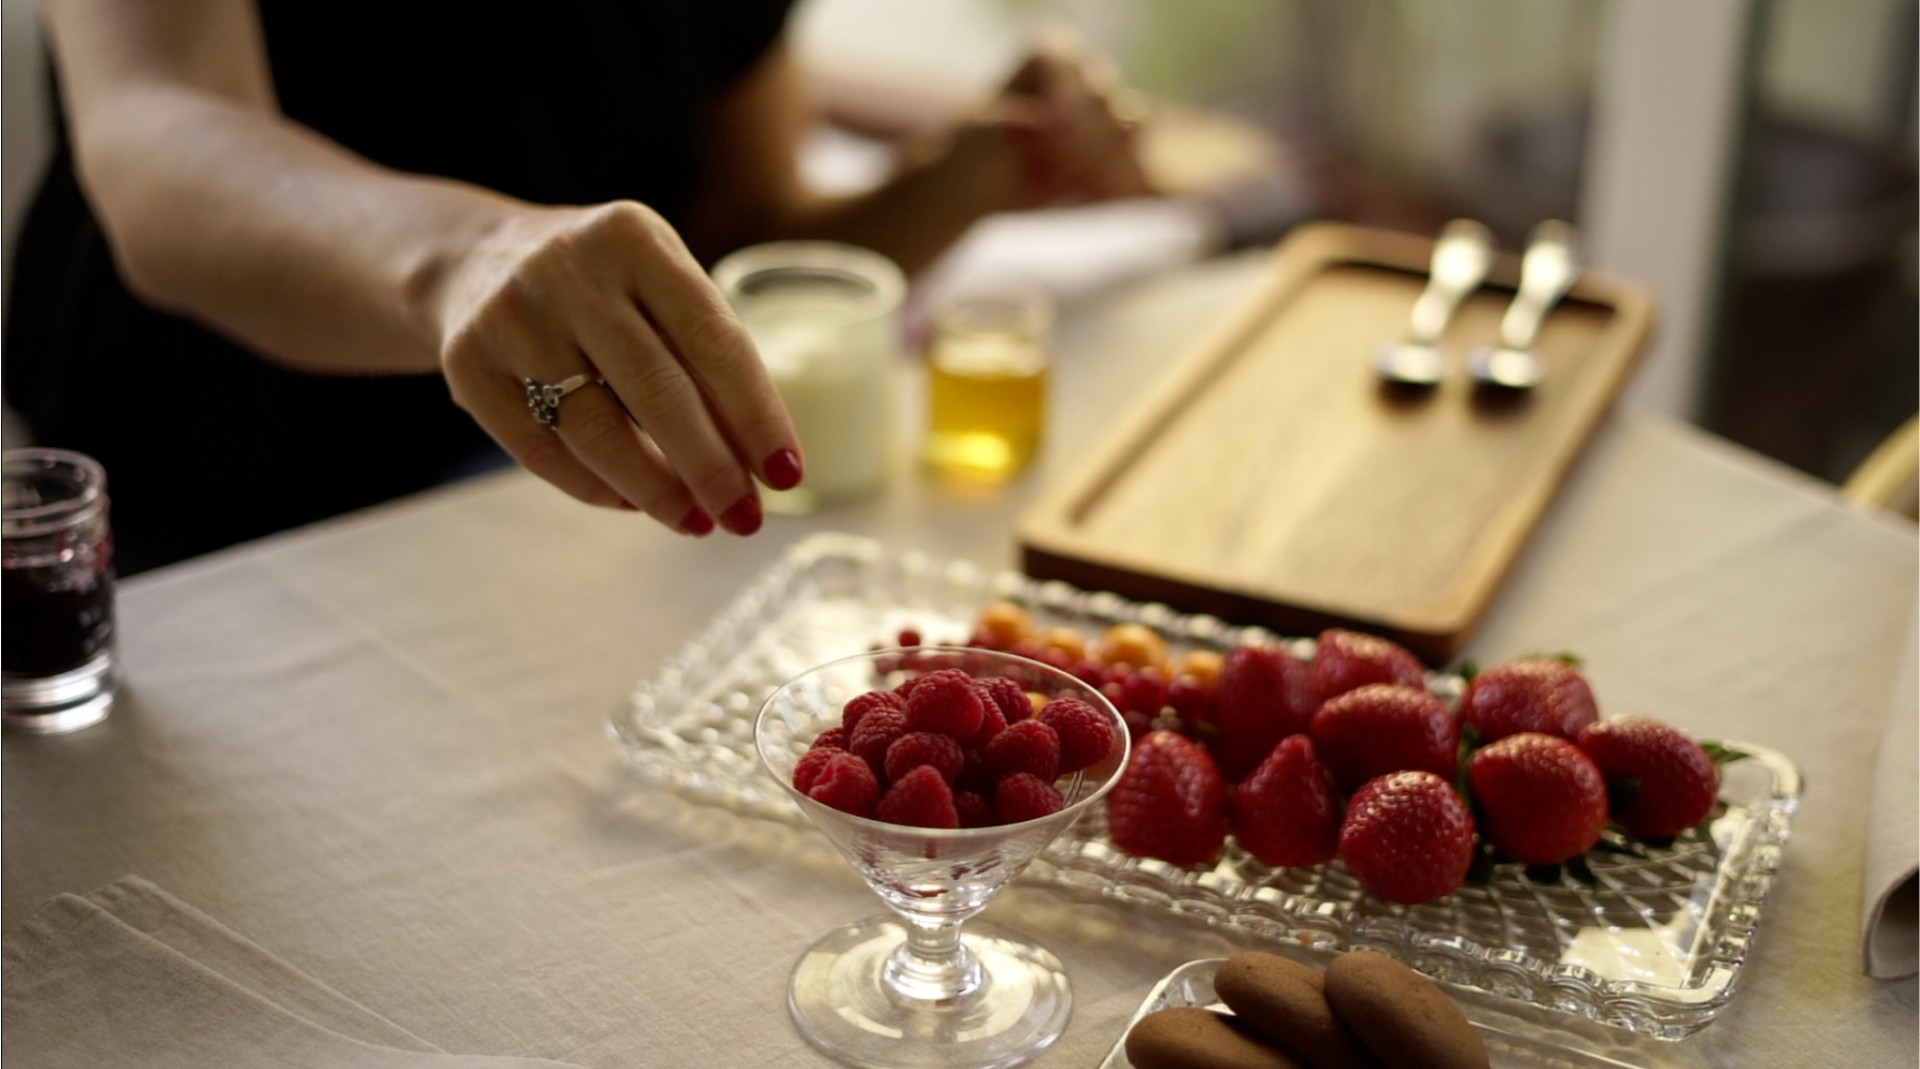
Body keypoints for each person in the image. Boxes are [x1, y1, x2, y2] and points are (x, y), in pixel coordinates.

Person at [3, 0, 1152, 574]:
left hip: (537, 525)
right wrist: (468, 253)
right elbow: (156, 126)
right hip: (226, 501)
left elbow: (739, 238)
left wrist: (961, 178)